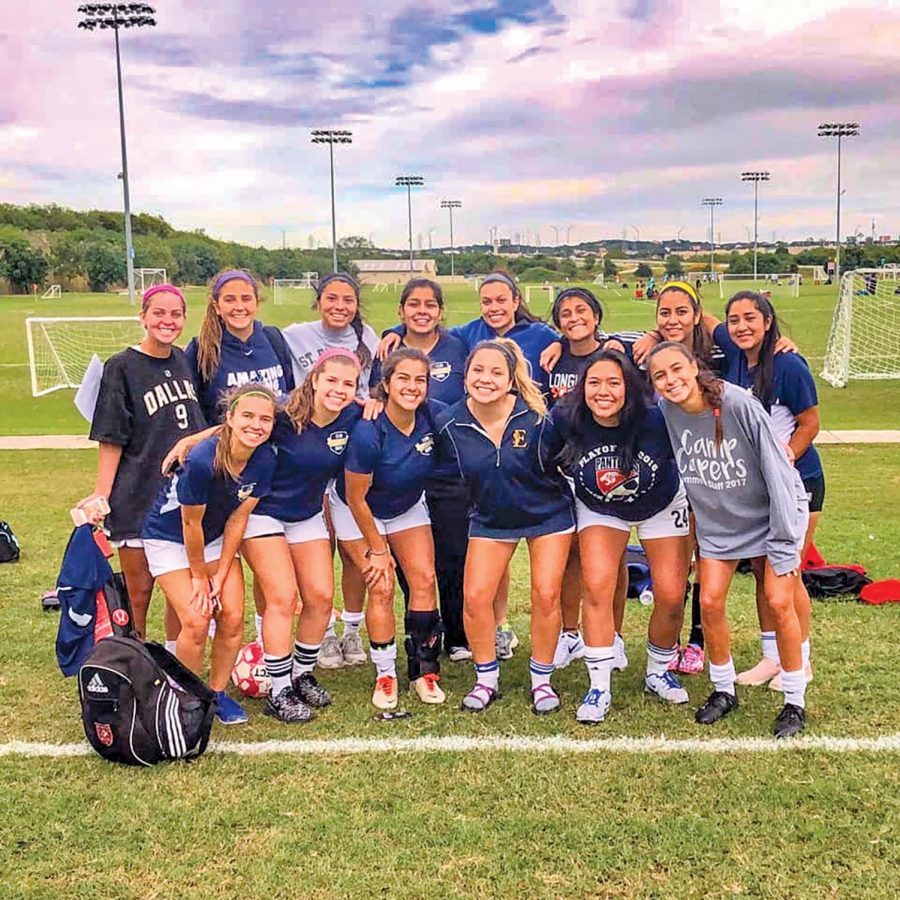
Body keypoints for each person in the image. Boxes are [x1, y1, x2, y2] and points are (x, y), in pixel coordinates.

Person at [647, 342, 809, 738]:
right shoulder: (668, 410)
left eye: (676, 370)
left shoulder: (738, 404)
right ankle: (724, 690)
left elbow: (777, 469)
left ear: (694, 367)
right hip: (721, 526)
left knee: (777, 600)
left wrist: (783, 535)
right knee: (710, 601)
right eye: (660, 376)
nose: (671, 381)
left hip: (774, 515)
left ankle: (794, 701)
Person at [436, 339, 575, 714]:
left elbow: (573, 449)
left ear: (511, 378)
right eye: (478, 370)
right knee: (476, 597)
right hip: (491, 518)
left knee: (546, 595)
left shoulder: (539, 416)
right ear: (465, 376)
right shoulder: (448, 422)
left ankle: (542, 680)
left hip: (547, 515)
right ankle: (486, 678)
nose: (486, 379)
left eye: (497, 372)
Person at [555, 350, 692, 724]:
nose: (604, 391)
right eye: (594, 382)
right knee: (598, 585)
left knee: (669, 593)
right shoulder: (566, 418)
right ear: (582, 387)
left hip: (661, 503)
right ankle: (599, 684)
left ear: (629, 388)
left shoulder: (655, 420)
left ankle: (658, 670)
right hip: (600, 506)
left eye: (614, 383)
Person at [142, 385, 278, 726]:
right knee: (197, 619)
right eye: (247, 416)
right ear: (229, 419)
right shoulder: (203, 459)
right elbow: (190, 523)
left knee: (232, 617)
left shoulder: (265, 458)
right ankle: (186, 697)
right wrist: (200, 577)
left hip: (216, 539)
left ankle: (216, 694)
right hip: (170, 538)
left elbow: (238, 518)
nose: (256, 425)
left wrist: (222, 571)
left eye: (265, 419)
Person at [240, 350, 363, 723]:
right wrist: (187, 442)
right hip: (261, 514)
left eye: (348, 383)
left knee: (322, 597)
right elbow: (231, 427)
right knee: (281, 595)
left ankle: (300, 674)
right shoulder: (281, 412)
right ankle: (277, 691)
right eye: (332, 380)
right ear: (313, 379)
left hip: (306, 514)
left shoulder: (355, 415)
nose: (339, 390)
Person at [78, 284, 205, 639]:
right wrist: (101, 493)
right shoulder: (121, 367)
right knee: (139, 590)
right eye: (159, 313)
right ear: (144, 317)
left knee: (177, 590)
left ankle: (171, 659)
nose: (167, 320)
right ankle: (131, 657)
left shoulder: (184, 360)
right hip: (138, 493)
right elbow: (111, 437)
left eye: (175, 314)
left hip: (181, 494)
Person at [714, 292, 820, 689]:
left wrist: (784, 463)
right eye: (735, 319)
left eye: (750, 319)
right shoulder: (736, 356)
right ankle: (773, 656)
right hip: (759, 490)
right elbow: (700, 319)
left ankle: (802, 659)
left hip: (798, 483)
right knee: (763, 573)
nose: (741, 326)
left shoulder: (788, 364)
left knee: (787, 575)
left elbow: (810, 423)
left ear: (768, 320)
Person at [330, 348, 446, 709]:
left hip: (406, 506)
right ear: (386, 383)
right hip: (357, 509)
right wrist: (379, 550)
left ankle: (423, 670)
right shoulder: (369, 431)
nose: (412, 387)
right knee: (380, 586)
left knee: (424, 580)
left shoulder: (432, 414)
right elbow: (356, 497)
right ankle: (385, 674)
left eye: (420, 379)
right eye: (403, 378)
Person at [282, 272, 380, 669]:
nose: (340, 306)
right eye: (331, 298)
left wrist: (371, 403)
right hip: (306, 449)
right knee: (316, 548)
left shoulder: (370, 339)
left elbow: (377, 387)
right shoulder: (292, 335)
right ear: (318, 300)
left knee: (349, 546)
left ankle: (351, 631)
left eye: (348, 300)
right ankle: (322, 633)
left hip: (344, 452)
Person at [371, 278, 471, 660]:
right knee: (411, 563)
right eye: (413, 304)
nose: (422, 311)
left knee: (451, 553)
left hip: (447, 469)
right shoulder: (389, 350)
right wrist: (392, 334)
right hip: (404, 470)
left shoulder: (459, 344)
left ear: (441, 311)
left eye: (430, 304)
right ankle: (424, 634)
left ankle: (458, 634)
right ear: (401, 311)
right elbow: (376, 399)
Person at [185, 269, 294, 425]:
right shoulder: (202, 349)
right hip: (228, 446)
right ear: (217, 306)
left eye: (246, 299)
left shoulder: (273, 338)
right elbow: (195, 411)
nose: (239, 307)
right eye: (229, 300)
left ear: (257, 303)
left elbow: (289, 391)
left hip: (276, 444)